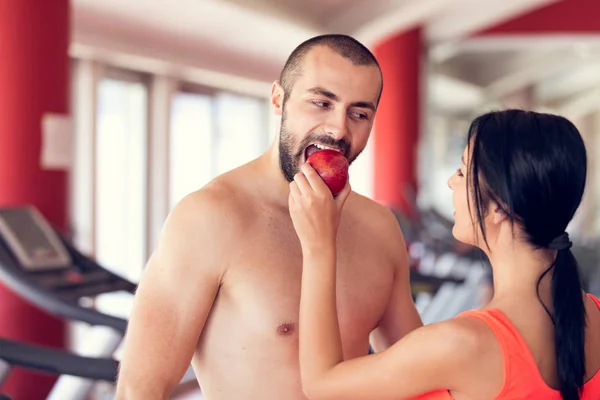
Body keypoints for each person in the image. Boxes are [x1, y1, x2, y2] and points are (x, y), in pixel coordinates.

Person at [114, 34, 423, 399]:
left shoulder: (379, 227)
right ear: (279, 99)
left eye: (358, 113)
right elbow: (140, 389)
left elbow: (415, 373)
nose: (339, 129)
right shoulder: (209, 218)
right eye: (321, 102)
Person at [290, 109, 600, 400]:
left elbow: (322, 385)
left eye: (463, 171)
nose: (452, 182)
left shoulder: (463, 343)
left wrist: (319, 246)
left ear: (500, 209)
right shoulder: (594, 313)